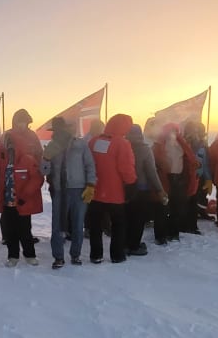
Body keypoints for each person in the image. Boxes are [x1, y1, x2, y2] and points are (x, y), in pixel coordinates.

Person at [41, 116, 95, 268]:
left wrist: (91, 184)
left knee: (78, 224)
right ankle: (58, 256)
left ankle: (75, 255)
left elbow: (90, 165)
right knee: (57, 225)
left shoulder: (81, 144)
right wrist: (45, 158)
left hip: (80, 189)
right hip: (60, 190)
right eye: (56, 129)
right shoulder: (52, 145)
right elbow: (43, 170)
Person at [0, 110, 44, 266]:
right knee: (10, 228)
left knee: (25, 227)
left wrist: (26, 195)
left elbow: (37, 176)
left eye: (24, 121)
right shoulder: (5, 160)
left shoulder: (28, 154)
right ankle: (13, 256)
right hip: (8, 197)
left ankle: (29, 254)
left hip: (23, 198)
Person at [87, 114, 137, 263]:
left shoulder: (94, 141)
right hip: (115, 193)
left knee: (95, 225)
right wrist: (132, 182)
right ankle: (117, 255)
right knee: (118, 225)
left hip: (95, 190)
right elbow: (126, 168)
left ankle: (96, 255)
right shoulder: (122, 143)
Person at [152, 122, 198, 241]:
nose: (172, 132)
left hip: (180, 178)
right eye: (170, 130)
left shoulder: (182, 144)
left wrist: (193, 166)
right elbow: (155, 160)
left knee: (178, 207)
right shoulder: (158, 144)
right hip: (164, 178)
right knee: (162, 207)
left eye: (174, 130)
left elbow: (189, 158)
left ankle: (173, 232)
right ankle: (161, 235)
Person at [124, 124, 163, 256]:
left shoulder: (123, 147)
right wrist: (159, 189)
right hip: (141, 188)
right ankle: (134, 246)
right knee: (138, 219)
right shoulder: (145, 150)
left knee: (126, 217)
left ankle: (124, 244)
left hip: (125, 188)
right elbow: (151, 171)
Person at [184, 121, 213, 230]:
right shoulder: (181, 144)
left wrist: (208, 179)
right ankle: (183, 224)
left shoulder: (202, 146)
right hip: (184, 178)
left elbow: (205, 163)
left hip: (197, 177)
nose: (195, 133)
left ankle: (192, 224)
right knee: (186, 202)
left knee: (196, 200)